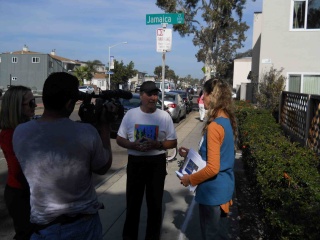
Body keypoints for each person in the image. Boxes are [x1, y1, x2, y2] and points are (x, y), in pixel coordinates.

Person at [12, 72, 114, 240]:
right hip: (82, 226)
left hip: (43, 228)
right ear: (69, 104)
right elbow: (103, 167)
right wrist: (104, 125)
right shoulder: (86, 132)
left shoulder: (21, 132)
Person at [116, 81, 177, 240]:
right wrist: (132, 145)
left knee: (155, 206)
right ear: (141, 95)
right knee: (133, 206)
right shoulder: (130, 115)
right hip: (135, 163)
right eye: (149, 94)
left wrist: (158, 144)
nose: (153, 97)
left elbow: (173, 142)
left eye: (155, 94)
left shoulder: (164, 116)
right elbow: (120, 138)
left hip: (156, 163)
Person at [178, 78, 237, 240]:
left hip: (213, 194)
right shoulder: (227, 121)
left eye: (205, 93)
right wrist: (191, 154)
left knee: (211, 236)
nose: (202, 98)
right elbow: (219, 154)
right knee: (220, 235)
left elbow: (212, 168)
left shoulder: (214, 126)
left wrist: (190, 179)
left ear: (214, 95)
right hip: (224, 190)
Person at [0, 86, 36, 240]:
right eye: (31, 103)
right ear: (16, 106)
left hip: (25, 191)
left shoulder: (26, 128)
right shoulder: (9, 133)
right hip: (20, 193)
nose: (34, 106)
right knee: (26, 234)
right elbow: (18, 171)